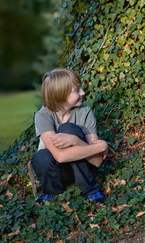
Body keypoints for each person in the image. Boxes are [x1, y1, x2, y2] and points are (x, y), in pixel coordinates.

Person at [31, 68, 108, 203]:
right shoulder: (43, 116)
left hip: (83, 168)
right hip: (58, 172)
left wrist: (75, 140)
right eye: (76, 90)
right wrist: (101, 146)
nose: (83, 93)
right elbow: (60, 157)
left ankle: (91, 189)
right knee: (41, 156)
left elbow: (97, 161)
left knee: (68, 129)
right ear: (60, 94)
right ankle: (50, 191)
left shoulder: (84, 111)